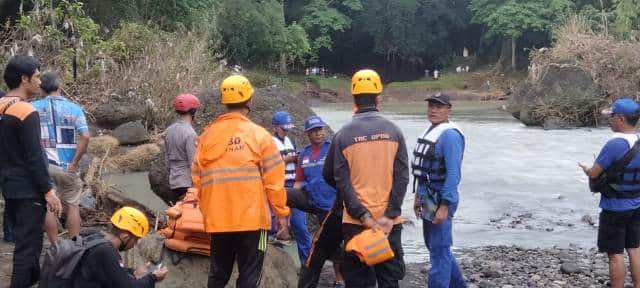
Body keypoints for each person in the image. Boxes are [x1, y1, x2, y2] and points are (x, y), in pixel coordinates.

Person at [192, 75, 290, 288]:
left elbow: (197, 181)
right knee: (250, 275)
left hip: (218, 222)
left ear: (224, 101)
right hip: (256, 224)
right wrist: (282, 215)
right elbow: (275, 182)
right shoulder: (260, 136)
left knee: (218, 274)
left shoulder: (206, 137)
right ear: (249, 101)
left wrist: (208, 213)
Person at [330, 69, 408, 287]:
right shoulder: (394, 131)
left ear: (354, 99)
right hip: (388, 224)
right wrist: (390, 215)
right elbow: (402, 177)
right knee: (389, 279)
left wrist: (363, 216)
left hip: (355, 223)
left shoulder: (343, 135)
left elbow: (339, 181)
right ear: (378, 99)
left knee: (357, 281)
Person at [0, 55, 62, 287]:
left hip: (9, 186)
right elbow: (35, 156)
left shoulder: (2, 106)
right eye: (36, 76)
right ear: (24, 78)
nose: (39, 81)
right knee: (27, 249)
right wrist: (48, 191)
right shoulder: (26, 111)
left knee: (26, 245)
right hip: (28, 190)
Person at [580, 98, 640, 288]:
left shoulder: (615, 144)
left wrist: (585, 169)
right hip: (637, 204)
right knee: (635, 249)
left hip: (615, 208)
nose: (609, 120)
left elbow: (595, 173)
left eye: (612, 116)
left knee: (615, 255)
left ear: (621, 119)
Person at [412, 93, 467, 288]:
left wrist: (445, 205)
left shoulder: (450, 135)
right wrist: (418, 197)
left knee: (439, 249)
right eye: (431, 106)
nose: (433, 110)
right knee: (434, 246)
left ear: (448, 110)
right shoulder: (431, 131)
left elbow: (453, 174)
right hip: (428, 194)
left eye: (439, 106)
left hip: (442, 196)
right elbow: (423, 171)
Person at [32, 71, 89, 242]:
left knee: (48, 205)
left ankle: (55, 245)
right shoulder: (74, 108)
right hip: (67, 166)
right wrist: (74, 162)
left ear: (41, 88)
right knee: (73, 205)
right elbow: (85, 136)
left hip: (44, 165)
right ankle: (74, 246)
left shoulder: (33, 108)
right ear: (59, 86)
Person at [293, 116, 344, 288]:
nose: (318, 133)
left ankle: (339, 279)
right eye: (314, 131)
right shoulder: (304, 154)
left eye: (320, 129)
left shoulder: (333, 149)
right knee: (324, 244)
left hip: (333, 205)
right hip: (315, 202)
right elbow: (298, 182)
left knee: (335, 243)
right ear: (307, 133)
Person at [70, 206, 168, 287]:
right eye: (136, 239)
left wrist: (134, 272)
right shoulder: (106, 251)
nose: (135, 244)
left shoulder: (98, 237)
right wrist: (153, 278)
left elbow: (113, 271)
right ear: (125, 237)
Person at [271, 111, 312, 263]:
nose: (286, 131)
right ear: (275, 127)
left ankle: (307, 262)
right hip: (277, 187)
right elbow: (269, 164)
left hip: (294, 186)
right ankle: (276, 263)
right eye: (283, 128)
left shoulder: (290, 140)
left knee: (299, 225)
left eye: (288, 128)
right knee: (275, 227)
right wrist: (289, 158)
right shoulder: (269, 142)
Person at [164, 93, 200, 202]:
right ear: (193, 111)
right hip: (187, 183)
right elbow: (193, 162)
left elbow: (167, 161)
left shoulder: (169, 131)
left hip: (174, 182)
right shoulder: (190, 133)